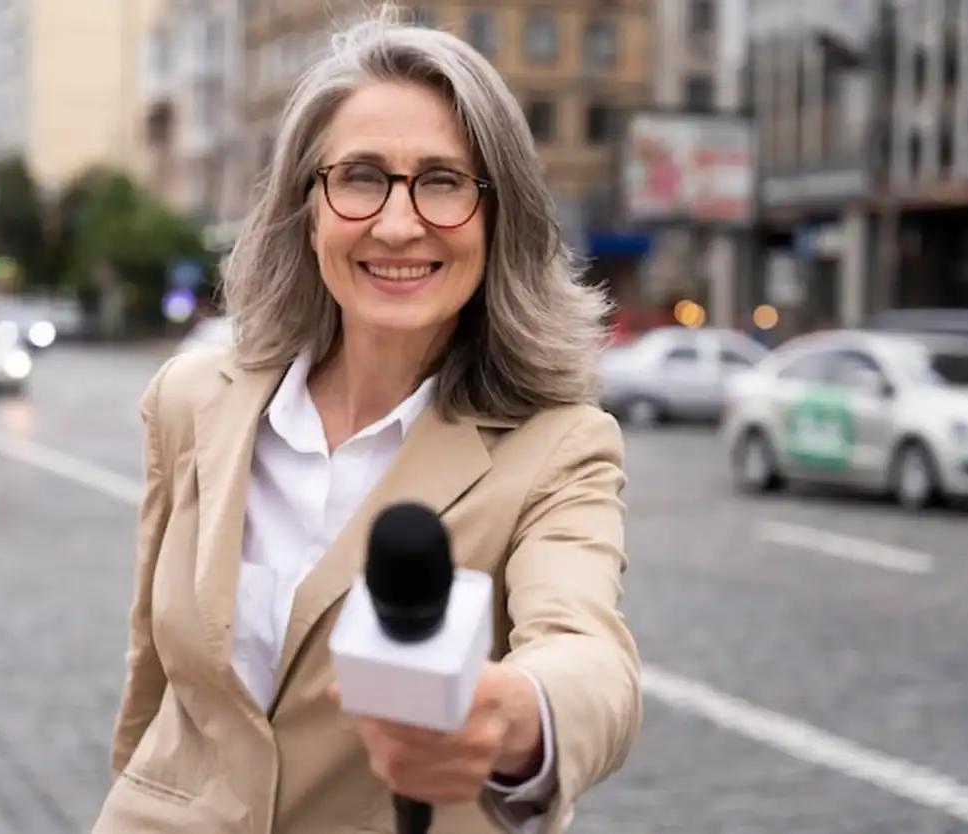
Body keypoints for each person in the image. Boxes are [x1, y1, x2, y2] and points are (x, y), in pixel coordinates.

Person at [91, 7, 641, 834]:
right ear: (306, 208)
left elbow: (588, 655)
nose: (396, 222)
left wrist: (514, 715)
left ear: (500, 221)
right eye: (360, 177)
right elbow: (153, 684)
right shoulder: (192, 401)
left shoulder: (560, 448)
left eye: (443, 181)